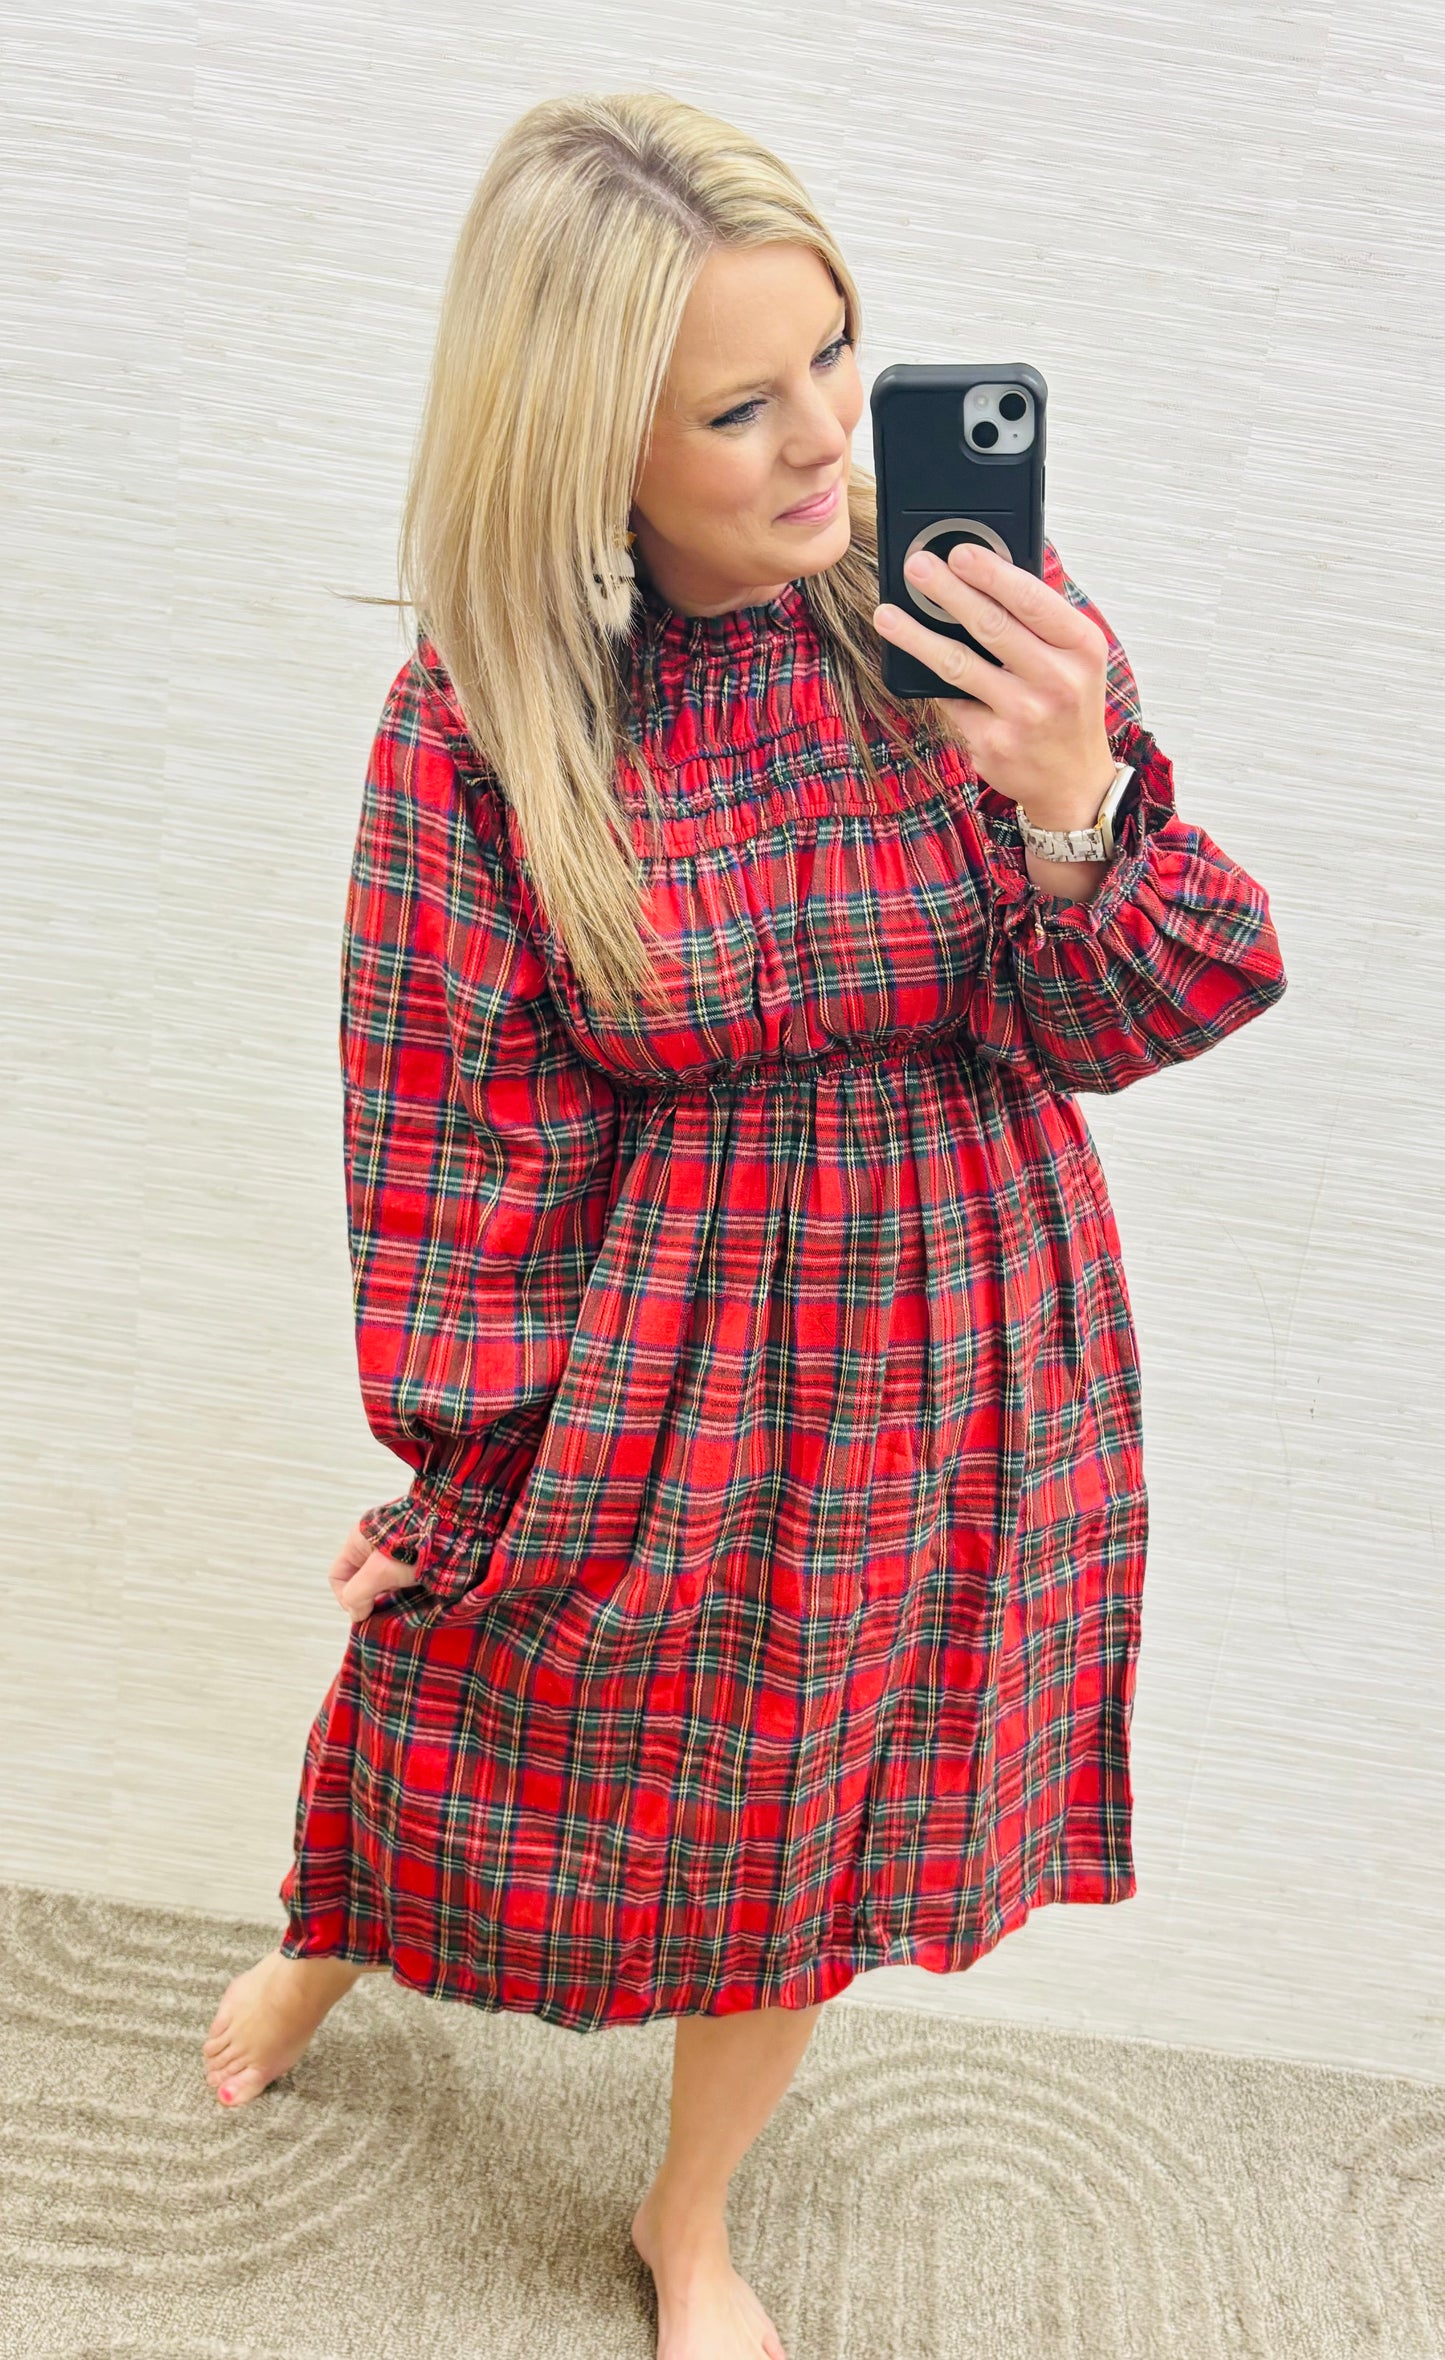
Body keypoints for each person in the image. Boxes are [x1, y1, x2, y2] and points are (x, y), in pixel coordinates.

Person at [202, 89, 1287, 2360]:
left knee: (811, 1815)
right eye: (735, 403)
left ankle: (685, 2224)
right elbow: (448, 1122)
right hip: (673, 1326)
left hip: (967, 1316)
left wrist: (1073, 798)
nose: (820, 442)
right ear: (587, 433)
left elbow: (1152, 1003)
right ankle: (339, 1926)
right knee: (469, 1665)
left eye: (835, 356)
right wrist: (461, 1471)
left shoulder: (967, 613)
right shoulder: (490, 719)